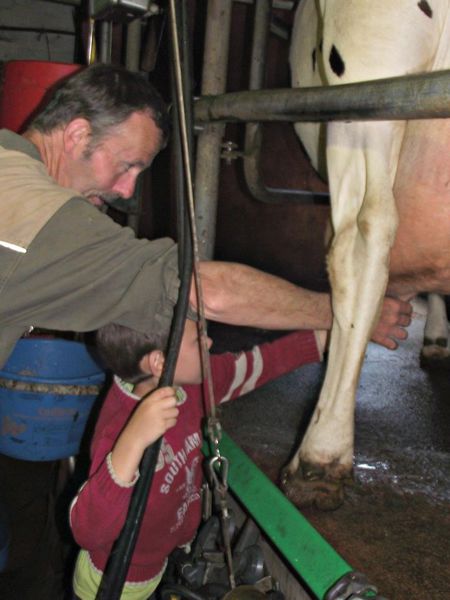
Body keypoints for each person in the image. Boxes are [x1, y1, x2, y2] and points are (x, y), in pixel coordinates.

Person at [0, 62, 411, 599]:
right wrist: (346, 313)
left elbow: (247, 365)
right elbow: (203, 289)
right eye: (127, 166)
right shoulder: (35, 215)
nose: (126, 190)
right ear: (77, 133)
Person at [70, 319, 328, 599]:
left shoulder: (190, 387)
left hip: (158, 564)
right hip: (110, 583)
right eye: (199, 338)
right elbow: (87, 530)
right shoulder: (120, 430)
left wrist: (328, 337)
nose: (210, 343)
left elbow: (252, 366)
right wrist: (132, 442)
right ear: (159, 362)